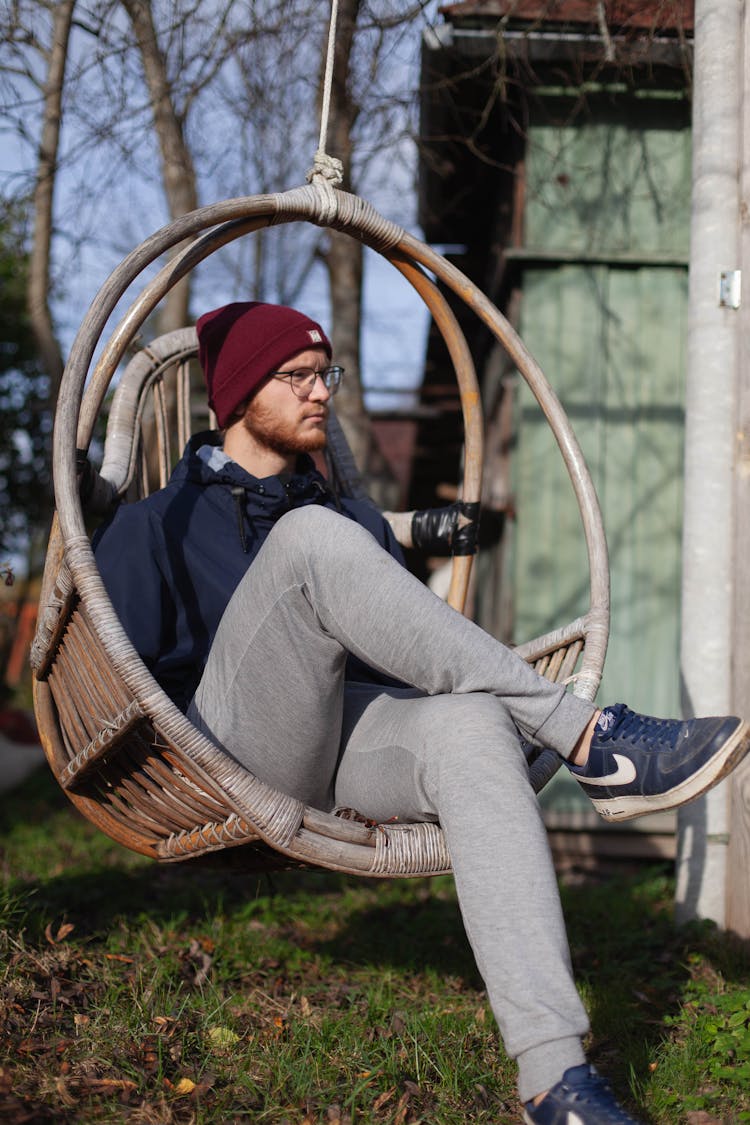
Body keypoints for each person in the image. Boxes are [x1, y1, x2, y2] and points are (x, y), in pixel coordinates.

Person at [94, 301, 750, 1124]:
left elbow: (402, 639)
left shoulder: (347, 517)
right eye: (295, 375)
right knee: (307, 540)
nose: (319, 392)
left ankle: (556, 1081)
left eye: (324, 373)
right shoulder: (158, 524)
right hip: (224, 752)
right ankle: (590, 737)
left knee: (472, 726)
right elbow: (122, 678)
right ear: (236, 395)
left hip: (340, 743)